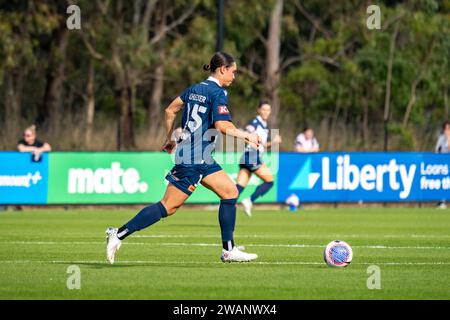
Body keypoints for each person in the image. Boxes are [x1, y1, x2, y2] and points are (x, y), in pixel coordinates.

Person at [106, 52, 261, 264]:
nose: (234, 76)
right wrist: (247, 135)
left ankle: (228, 250)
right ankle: (119, 233)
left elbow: (170, 110)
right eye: (233, 72)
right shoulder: (218, 93)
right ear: (222, 69)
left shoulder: (195, 89)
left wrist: (169, 138)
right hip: (194, 158)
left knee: (230, 192)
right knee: (168, 206)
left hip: (200, 156)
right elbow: (222, 126)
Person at [235, 101, 282, 217]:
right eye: (264, 109)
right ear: (259, 110)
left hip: (248, 157)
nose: (266, 112)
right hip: (251, 155)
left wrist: (274, 142)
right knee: (269, 181)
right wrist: (249, 141)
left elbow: (263, 145)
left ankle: (228, 203)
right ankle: (249, 200)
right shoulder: (255, 123)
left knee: (239, 186)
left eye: (268, 110)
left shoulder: (264, 126)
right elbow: (245, 134)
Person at [435, 120, 450, 209]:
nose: (447, 130)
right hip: (443, 163)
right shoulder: (440, 138)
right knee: (443, 182)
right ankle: (442, 202)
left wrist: (448, 138)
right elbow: (437, 150)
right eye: (445, 129)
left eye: (448, 128)